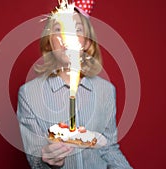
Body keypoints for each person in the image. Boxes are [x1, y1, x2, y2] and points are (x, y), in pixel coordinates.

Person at [17, 3, 132, 169]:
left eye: (76, 29)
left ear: (86, 42)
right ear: (49, 43)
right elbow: (35, 161)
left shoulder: (106, 91)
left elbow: (108, 149)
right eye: (59, 29)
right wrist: (49, 160)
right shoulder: (29, 94)